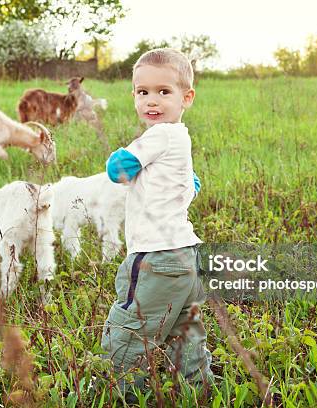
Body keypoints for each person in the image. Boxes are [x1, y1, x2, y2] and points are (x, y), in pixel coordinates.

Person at [101, 48, 213, 398]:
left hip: (156, 258)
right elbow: (187, 186)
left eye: (164, 92)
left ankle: (121, 396)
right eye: (142, 92)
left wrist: (117, 158)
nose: (152, 100)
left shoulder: (160, 135)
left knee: (130, 331)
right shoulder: (180, 138)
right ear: (133, 94)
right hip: (186, 257)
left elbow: (118, 170)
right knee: (186, 333)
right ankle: (200, 391)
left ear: (186, 97)